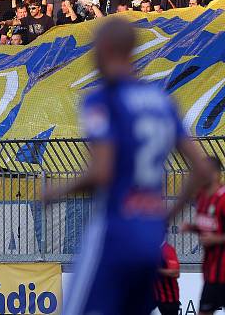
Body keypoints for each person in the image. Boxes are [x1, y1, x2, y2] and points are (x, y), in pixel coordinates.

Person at [43, 18, 214, 315]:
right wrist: (164, 217)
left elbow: (102, 172)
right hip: (149, 238)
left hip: (114, 231)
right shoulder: (161, 101)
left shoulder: (102, 99)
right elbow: (200, 168)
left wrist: (56, 191)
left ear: (105, 48)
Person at [181, 157, 225, 315]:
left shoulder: (223, 198)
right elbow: (210, 226)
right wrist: (192, 227)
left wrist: (216, 239)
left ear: (216, 174)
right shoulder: (202, 197)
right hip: (212, 274)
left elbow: (215, 234)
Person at [153, 240, 180, 315]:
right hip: (153, 293)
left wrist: (156, 271)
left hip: (168, 297)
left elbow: (175, 273)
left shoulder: (168, 250)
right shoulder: (148, 248)